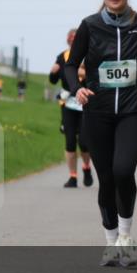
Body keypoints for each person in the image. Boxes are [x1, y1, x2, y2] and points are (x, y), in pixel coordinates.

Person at [65, 0, 137, 267]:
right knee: (106, 179)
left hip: (133, 111)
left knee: (123, 170)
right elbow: (71, 64)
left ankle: (125, 236)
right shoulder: (90, 25)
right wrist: (77, 89)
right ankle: (110, 243)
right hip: (98, 111)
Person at [48, 28, 94, 188]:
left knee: (84, 141)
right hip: (68, 103)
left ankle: (86, 167)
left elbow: (93, 75)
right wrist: (53, 72)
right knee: (69, 140)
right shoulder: (63, 56)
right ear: (67, 40)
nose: (73, 40)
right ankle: (72, 176)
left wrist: (82, 71)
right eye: (71, 37)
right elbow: (53, 80)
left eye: (76, 37)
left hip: (85, 102)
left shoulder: (89, 55)